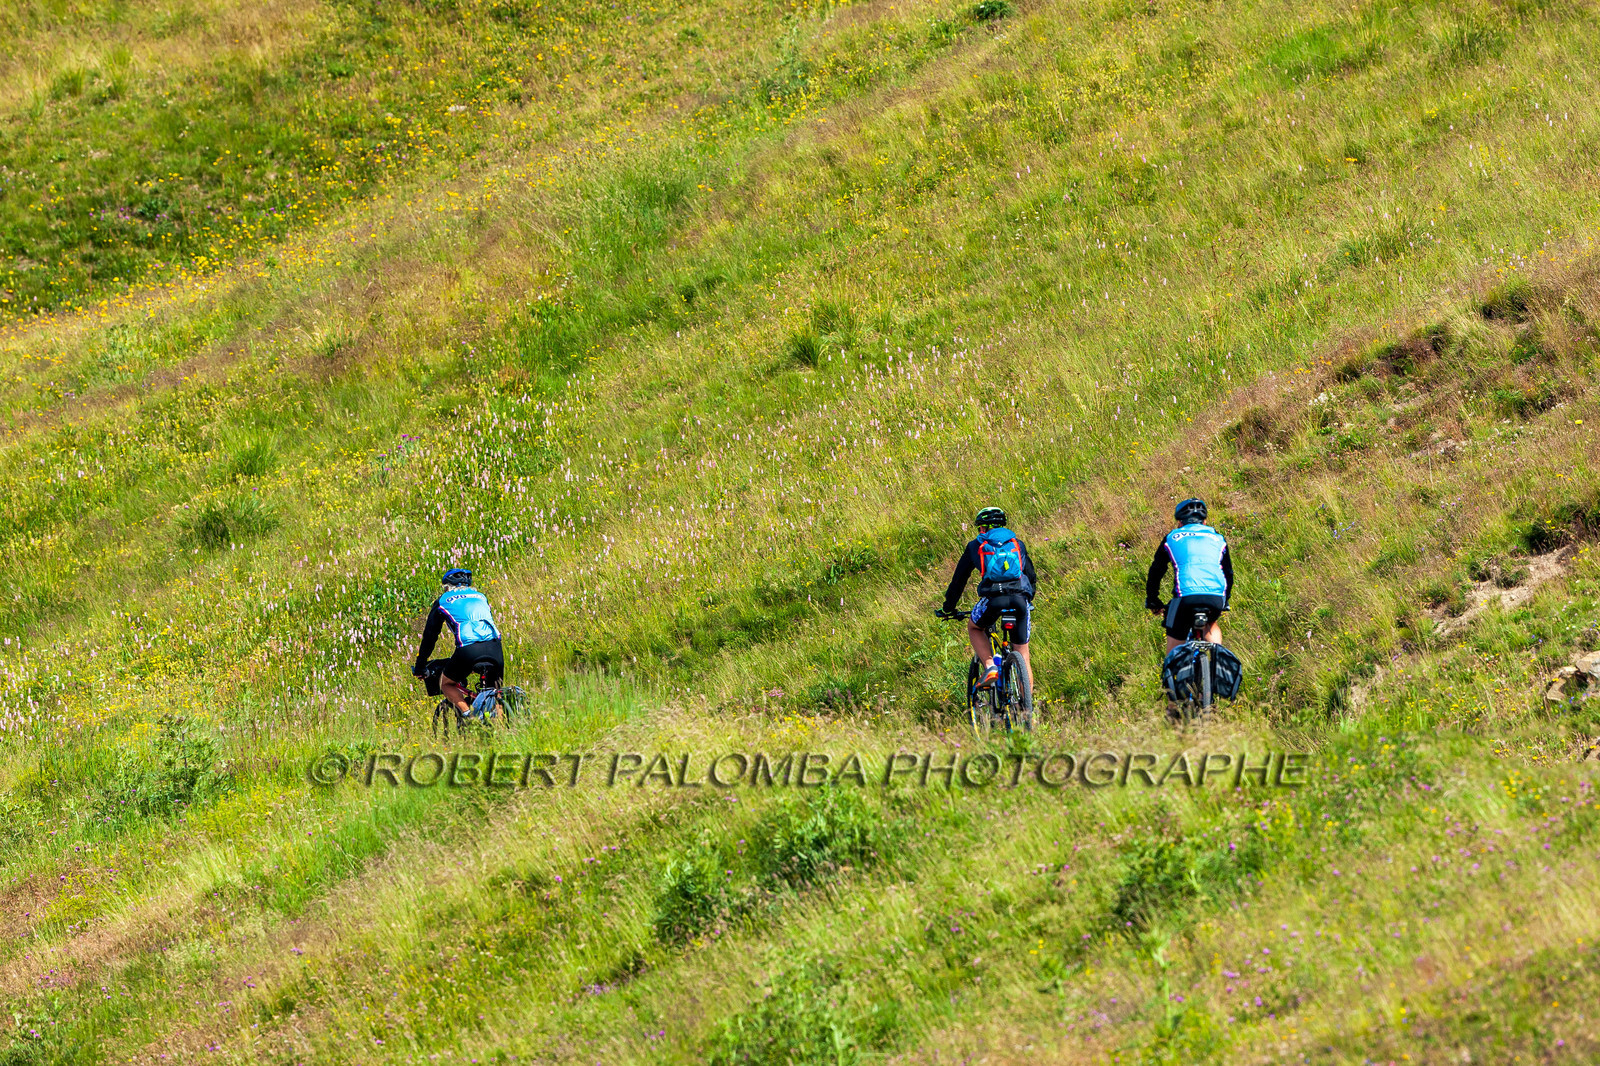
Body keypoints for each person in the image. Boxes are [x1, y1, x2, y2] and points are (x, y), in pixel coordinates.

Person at [937, 506, 1036, 692]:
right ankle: (1027, 712)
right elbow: (1030, 575)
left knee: (974, 627)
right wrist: (1028, 600)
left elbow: (958, 581)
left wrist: (948, 608)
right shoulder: (1017, 543)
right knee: (1023, 655)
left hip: (993, 600)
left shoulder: (975, 546)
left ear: (982, 528)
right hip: (1020, 601)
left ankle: (990, 666)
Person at [1145, 498, 1233, 654]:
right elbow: (1228, 573)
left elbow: (1156, 571)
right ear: (1204, 522)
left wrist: (1153, 600)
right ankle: (1219, 659)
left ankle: (1174, 671)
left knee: (1175, 641)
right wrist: (1225, 600)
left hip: (1185, 597)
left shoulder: (1172, 537)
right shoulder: (1218, 538)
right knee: (1211, 624)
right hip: (1216, 596)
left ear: (1180, 523)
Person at [413, 568, 504, 718]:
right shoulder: (481, 597)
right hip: (495, 647)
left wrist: (420, 665)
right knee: (494, 693)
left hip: (468, 649)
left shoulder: (443, 600)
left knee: (446, 683)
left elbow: (430, 636)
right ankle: (500, 729)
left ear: (447, 587)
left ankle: (469, 715)